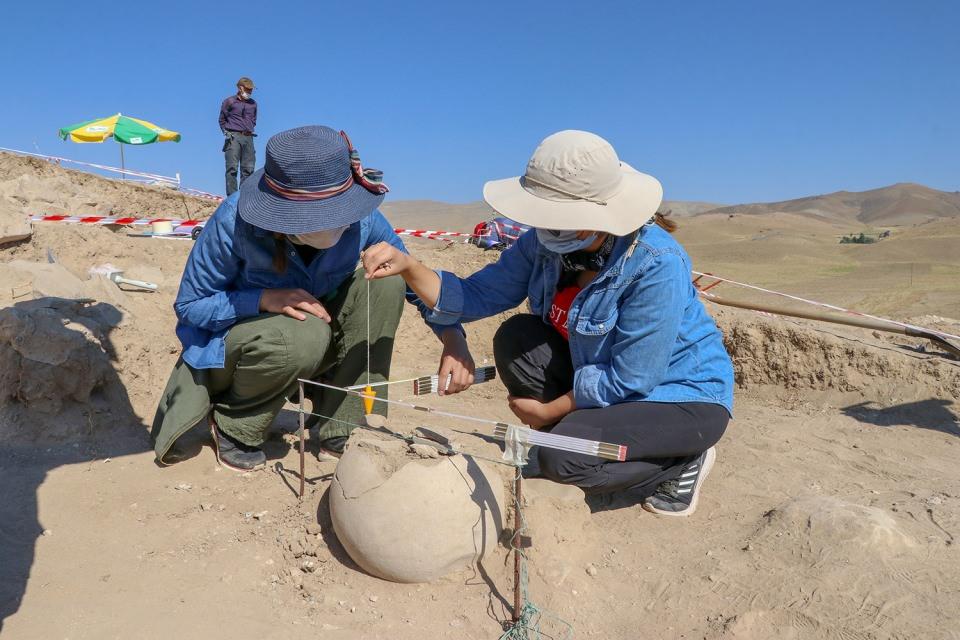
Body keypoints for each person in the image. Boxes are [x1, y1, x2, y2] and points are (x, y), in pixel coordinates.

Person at [361, 130, 734, 516]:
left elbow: (632, 378)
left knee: (560, 463)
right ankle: (573, 438)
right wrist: (409, 267)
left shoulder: (656, 263)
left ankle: (680, 461)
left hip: (678, 398)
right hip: (602, 381)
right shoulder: (545, 242)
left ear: (591, 218)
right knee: (517, 337)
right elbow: (475, 295)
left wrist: (548, 412)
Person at [151, 125, 447, 471]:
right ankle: (235, 425)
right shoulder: (234, 221)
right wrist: (262, 299)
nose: (333, 225)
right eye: (316, 218)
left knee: (384, 284)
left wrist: (452, 337)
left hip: (310, 347)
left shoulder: (364, 219)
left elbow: (410, 275)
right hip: (239, 355)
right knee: (305, 332)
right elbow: (190, 306)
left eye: (337, 214)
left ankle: (342, 426)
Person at [219, 77, 258, 196]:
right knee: (232, 168)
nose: (249, 92)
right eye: (247, 89)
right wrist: (227, 132)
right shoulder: (229, 101)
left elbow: (254, 120)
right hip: (233, 136)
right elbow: (222, 119)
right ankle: (232, 197)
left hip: (249, 137)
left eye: (251, 90)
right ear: (240, 88)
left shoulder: (253, 104)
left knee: (249, 169)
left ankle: (244, 197)